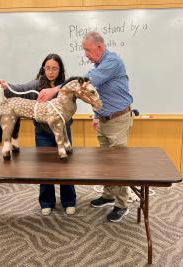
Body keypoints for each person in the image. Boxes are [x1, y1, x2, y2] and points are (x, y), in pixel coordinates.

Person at [0, 54, 76, 216]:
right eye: (47, 68)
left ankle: (69, 200)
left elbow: (82, 93)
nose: (51, 72)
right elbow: (19, 90)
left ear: (60, 69)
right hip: (42, 133)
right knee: (44, 169)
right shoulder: (36, 84)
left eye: (54, 68)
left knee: (66, 167)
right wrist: (6, 86)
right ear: (43, 68)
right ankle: (46, 201)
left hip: (63, 132)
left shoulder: (67, 85)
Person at [82, 32, 133, 223]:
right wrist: (96, 115)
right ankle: (108, 195)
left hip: (118, 120)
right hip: (104, 119)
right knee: (105, 162)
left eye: (88, 49)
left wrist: (58, 88)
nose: (86, 54)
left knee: (117, 164)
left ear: (99, 47)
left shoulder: (112, 61)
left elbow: (88, 82)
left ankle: (122, 204)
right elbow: (98, 94)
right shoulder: (100, 64)